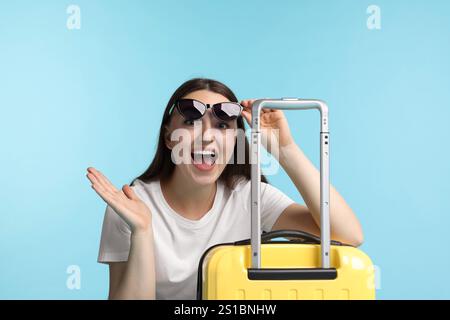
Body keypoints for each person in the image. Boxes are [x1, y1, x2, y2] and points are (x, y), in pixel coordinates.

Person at [86, 78, 364, 300]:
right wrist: (143, 231)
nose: (207, 136)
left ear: (235, 143)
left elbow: (348, 234)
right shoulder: (133, 206)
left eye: (222, 126)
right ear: (170, 138)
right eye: (191, 122)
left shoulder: (249, 197)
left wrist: (284, 149)